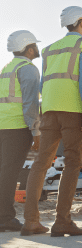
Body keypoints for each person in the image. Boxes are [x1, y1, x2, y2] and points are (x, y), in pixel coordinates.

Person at [21, 6, 82, 237]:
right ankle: (62, 221)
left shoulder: (49, 49)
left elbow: (44, 84)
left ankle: (31, 222)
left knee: (41, 163)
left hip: (50, 111)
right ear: (81, 23)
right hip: (73, 110)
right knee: (73, 163)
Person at [0, 31, 41, 232]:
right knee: (9, 173)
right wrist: (36, 132)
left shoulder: (6, 68)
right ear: (29, 48)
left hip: (2, 126)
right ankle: (5, 218)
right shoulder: (28, 69)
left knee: (3, 172)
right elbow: (30, 105)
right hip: (17, 128)